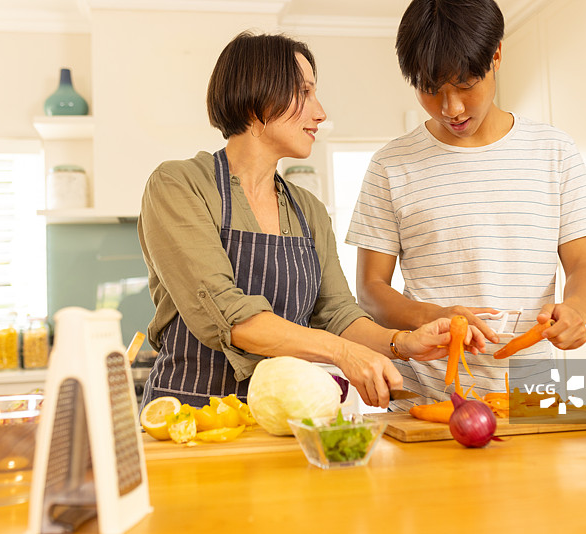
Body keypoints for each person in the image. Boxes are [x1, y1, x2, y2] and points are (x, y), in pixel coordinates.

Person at [137, 31, 486, 410]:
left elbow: (337, 313)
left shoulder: (308, 210)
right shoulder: (179, 185)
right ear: (259, 97)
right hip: (191, 417)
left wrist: (403, 343)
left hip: (283, 419)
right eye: (304, 92)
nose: (320, 112)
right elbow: (228, 315)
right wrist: (342, 354)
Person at [345, 0, 586, 408]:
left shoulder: (554, 151)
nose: (452, 109)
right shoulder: (391, 164)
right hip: (425, 400)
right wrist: (431, 315)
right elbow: (370, 288)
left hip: (528, 399)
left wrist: (576, 309)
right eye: (431, 90)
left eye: (465, 85)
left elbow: (584, 264)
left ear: (497, 56)